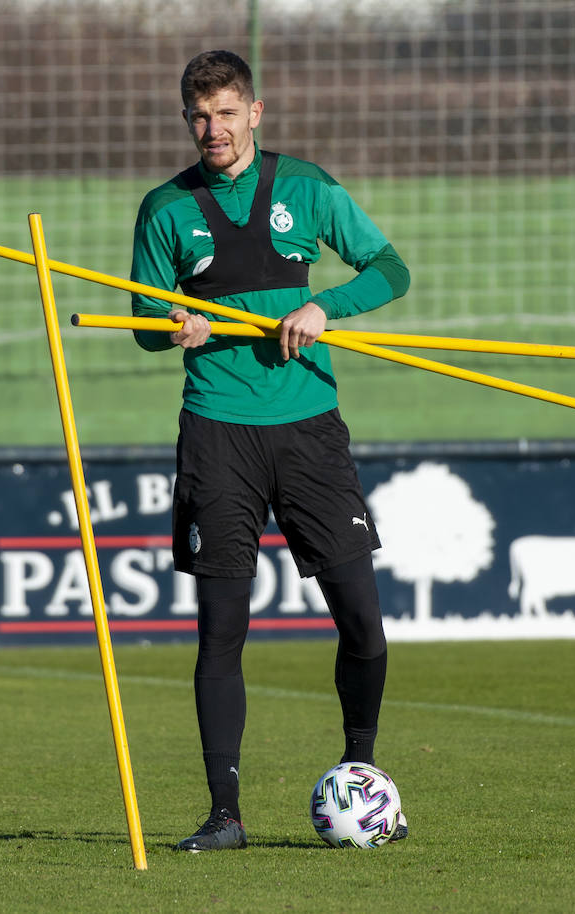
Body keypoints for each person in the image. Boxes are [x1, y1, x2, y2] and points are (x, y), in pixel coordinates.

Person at [129, 49, 411, 853]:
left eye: (225, 112)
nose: (211, 129)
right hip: (217, 428)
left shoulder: (308, 188)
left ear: (256, 112)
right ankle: (226, 815)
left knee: (363, 624)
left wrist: (325, 306)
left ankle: (361, 776)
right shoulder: (165, 209)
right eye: (198, 116)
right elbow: (146, 323)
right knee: (222, 628)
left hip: (309, 427)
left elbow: (391, 269)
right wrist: (171, 327)